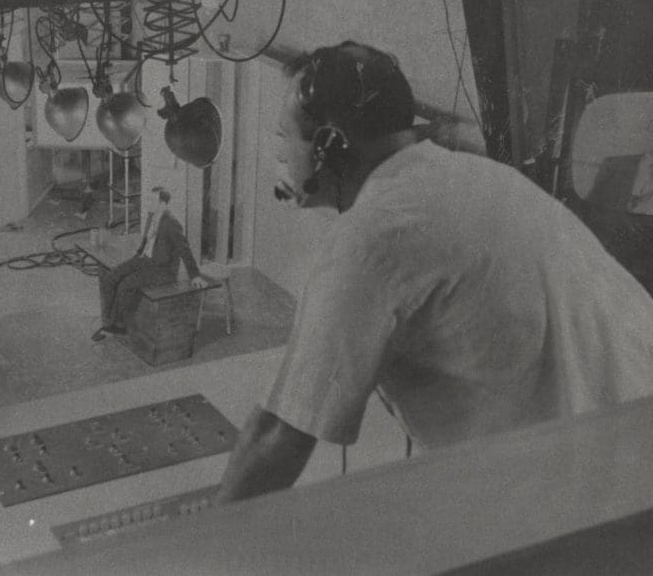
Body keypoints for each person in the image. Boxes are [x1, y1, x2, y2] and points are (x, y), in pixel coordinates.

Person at [216, 40, 653, 503]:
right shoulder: (481, 177)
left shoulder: (370, 236)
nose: (282, 156)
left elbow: (275, 437)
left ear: (329, 145)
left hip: (587, 500)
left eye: (286, 137)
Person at [92, 187, 208, 342]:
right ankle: (108, 322)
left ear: (163, 203)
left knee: (125, 285)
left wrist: (195, 276)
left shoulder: (171, 223)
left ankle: (119, 326)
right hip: (144, 259)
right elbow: (147, 239)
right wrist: (138, 253)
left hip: (161, 270)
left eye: (152, 200)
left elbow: (184, 249)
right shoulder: (152, 216)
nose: (148, 203)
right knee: (111, 278)